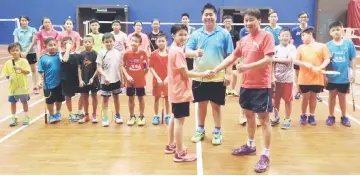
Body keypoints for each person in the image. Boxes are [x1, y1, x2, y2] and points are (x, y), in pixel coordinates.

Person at [211, 8, 275, 173]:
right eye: (245, 20)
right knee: (248, 116)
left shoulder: (267, 36)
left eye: (251, 20)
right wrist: (216, 69)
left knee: (264, 120)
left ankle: (266, 155)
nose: (248, 23)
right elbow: (232, 57)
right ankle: (250, 145)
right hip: (246, 85)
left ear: (259, 20)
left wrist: (247, 66)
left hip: (262, 85)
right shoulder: (244, 39)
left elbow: (268, 59)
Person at [185, 3, 233, 145]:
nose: (208, 17)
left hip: (217, 77)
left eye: (211, 14)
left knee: (216, 106)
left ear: (215, 16)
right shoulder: (196, 34)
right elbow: (187, 52)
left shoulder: (224, 34)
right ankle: (200, 129)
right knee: (201, 105)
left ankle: (217, 131)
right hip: (200, 77)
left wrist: (228, 74)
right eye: (206, 14)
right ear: (202, 17)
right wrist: (195, 53)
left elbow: (230, 55)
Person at [167, 24, 209, 162]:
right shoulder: (177, 52)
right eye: (180, 34)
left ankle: (171, 144)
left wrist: (196, 53)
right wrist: (203, 74)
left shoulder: (174, 49)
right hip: (180, 91)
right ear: (173, 35)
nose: (183, 37)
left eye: (185, 34)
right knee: (180, 121)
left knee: (174, 117)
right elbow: (185, 73)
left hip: (175, 90)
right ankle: (180, 153)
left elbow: (185, 53)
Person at [294, 26, 331, 125]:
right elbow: (295, 60)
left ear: (310, 34)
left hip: (317, 76)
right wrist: (305, 64)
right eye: (301, 36)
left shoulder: (322, 46)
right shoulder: (301, 47)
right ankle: (303, 115)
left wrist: (321, 67)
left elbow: (327, 59)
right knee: (305, 97)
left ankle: (312, 115)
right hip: (304, 77)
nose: (302, 38)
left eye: (303, 35)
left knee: (313, 97)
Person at [325, 21, 356, 127]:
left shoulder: (349, 44)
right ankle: (331, 116)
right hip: (332, 77)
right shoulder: (327, 45)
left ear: (342, 30)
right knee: (332, 96)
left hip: (344, 77)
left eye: (338, 29)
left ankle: (344, 116)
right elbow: (325, 61)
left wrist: (353, 73)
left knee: (342, 97)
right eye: (333, 30)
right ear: (330, 32)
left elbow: (353, 59)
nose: (336, 32)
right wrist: (325, 75)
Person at [270, 28, 296, 129]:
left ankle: (287, 118)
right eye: (283, 35)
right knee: (275, 100)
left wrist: (274, 59)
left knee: (287, 100)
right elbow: (271, 63)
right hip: (276, 79)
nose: (285, 37)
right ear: (279, 37)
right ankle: (276, 117)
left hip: (288, 79)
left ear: (290, 38)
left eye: (287, 35)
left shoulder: (292, 48)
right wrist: (272, 76)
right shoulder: (275, 48)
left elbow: (289, 60)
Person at [96, 33, 123, 127]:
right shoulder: (101, 52)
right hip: (105, 81)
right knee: (105, 100)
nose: (109, 43)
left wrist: (122, 80)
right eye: (106, 42)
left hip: (116, 80)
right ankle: (105, 117)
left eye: (110, 41)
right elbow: (99, 67)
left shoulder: (118, 52)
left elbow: (120, 67)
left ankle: (117, 115)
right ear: (103, 42)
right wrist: (105, 76)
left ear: (114, 41)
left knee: (116, 98)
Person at [38, 37, 67, 124]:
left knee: (59, 99)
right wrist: (40, 81)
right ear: (45, 46)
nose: (53, 47)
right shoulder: (43, 58)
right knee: (50, 101)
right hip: (48, 84)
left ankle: (58, 113)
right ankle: (51, 115)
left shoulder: (60, 55)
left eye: (54, 45)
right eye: (50, 45)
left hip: (60, 83)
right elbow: (40, 71)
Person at [2, 43, 31, 126]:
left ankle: (26, 116)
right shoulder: (8, 63)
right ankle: (14, 117)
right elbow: (5, 73)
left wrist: (21, 69)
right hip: (13, 88)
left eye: (17, 50)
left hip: (23, 88)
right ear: (10, 52)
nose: (15, 52)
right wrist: (8, 77)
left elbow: (28, 72)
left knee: (24, 102)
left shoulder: (24, 61)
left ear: (20, 51)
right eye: (12, 51)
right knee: (13, 103)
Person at [122, 34, 148, 126]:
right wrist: (127, 76)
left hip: (140, 82)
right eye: (132, 41)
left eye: (136, 41)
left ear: (140, 43)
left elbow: (146, 67)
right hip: (130, 82)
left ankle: (141, 116)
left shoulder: (143, 53)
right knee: (131, 99)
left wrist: (142, 75)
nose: (133, 43)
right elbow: (122, 66)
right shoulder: (126, 54)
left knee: (141, 98)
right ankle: (132, 116)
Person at [13, 16, 39, 94]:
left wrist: (26, 52)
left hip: (30, 52)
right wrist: (20, 52)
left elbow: (33, 42)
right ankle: (20, 87)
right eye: (22, 20)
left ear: (28, 21)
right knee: (19, 70)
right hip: (20, 53)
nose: (24, 22)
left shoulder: (33, 30)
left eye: (25, 20)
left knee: (33, 70)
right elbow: (16, 42)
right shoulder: (17, 30)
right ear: (20, 21)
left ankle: (35, 86)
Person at [149, 32, 171, 125]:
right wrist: (157, 78)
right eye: (159, 41)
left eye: (163, 41)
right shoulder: (154, 54)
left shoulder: (170, 53)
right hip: (157, 80)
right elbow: (151, 67)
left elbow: (173, 67)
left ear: (167, 42)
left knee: (167, 98)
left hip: (167, 81)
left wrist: (167, 78)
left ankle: (167, 115)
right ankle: (156, 115)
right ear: (156, 43)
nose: (161, 43)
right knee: (156, 98)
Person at [78, 35, 100, 124]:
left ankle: (94, 115)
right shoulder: (81, 54)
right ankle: (86, 115)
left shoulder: (95, 54)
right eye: (85, 42)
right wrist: (80, 80)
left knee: (94, 96)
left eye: (89, 42)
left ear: (93, 43)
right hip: (83, 80)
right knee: (84, 97)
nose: (87, 43)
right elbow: (79, 68)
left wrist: (92, 78)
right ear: (83, 43)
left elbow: (98, 68)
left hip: (93, 80)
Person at [60, 37, 82, 122]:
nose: (67, 45)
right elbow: (65, 59)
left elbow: (79, 68)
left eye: (69, 43)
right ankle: (71, 113)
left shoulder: (77, 55)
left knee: (83, 94)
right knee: (68, 96)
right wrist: (68, 50)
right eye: (65, 43)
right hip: (66, 79)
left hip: (76, 78)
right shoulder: (61, 54)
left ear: (73, 44)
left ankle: (80, 111)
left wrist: (80, 80)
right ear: (62, 45)